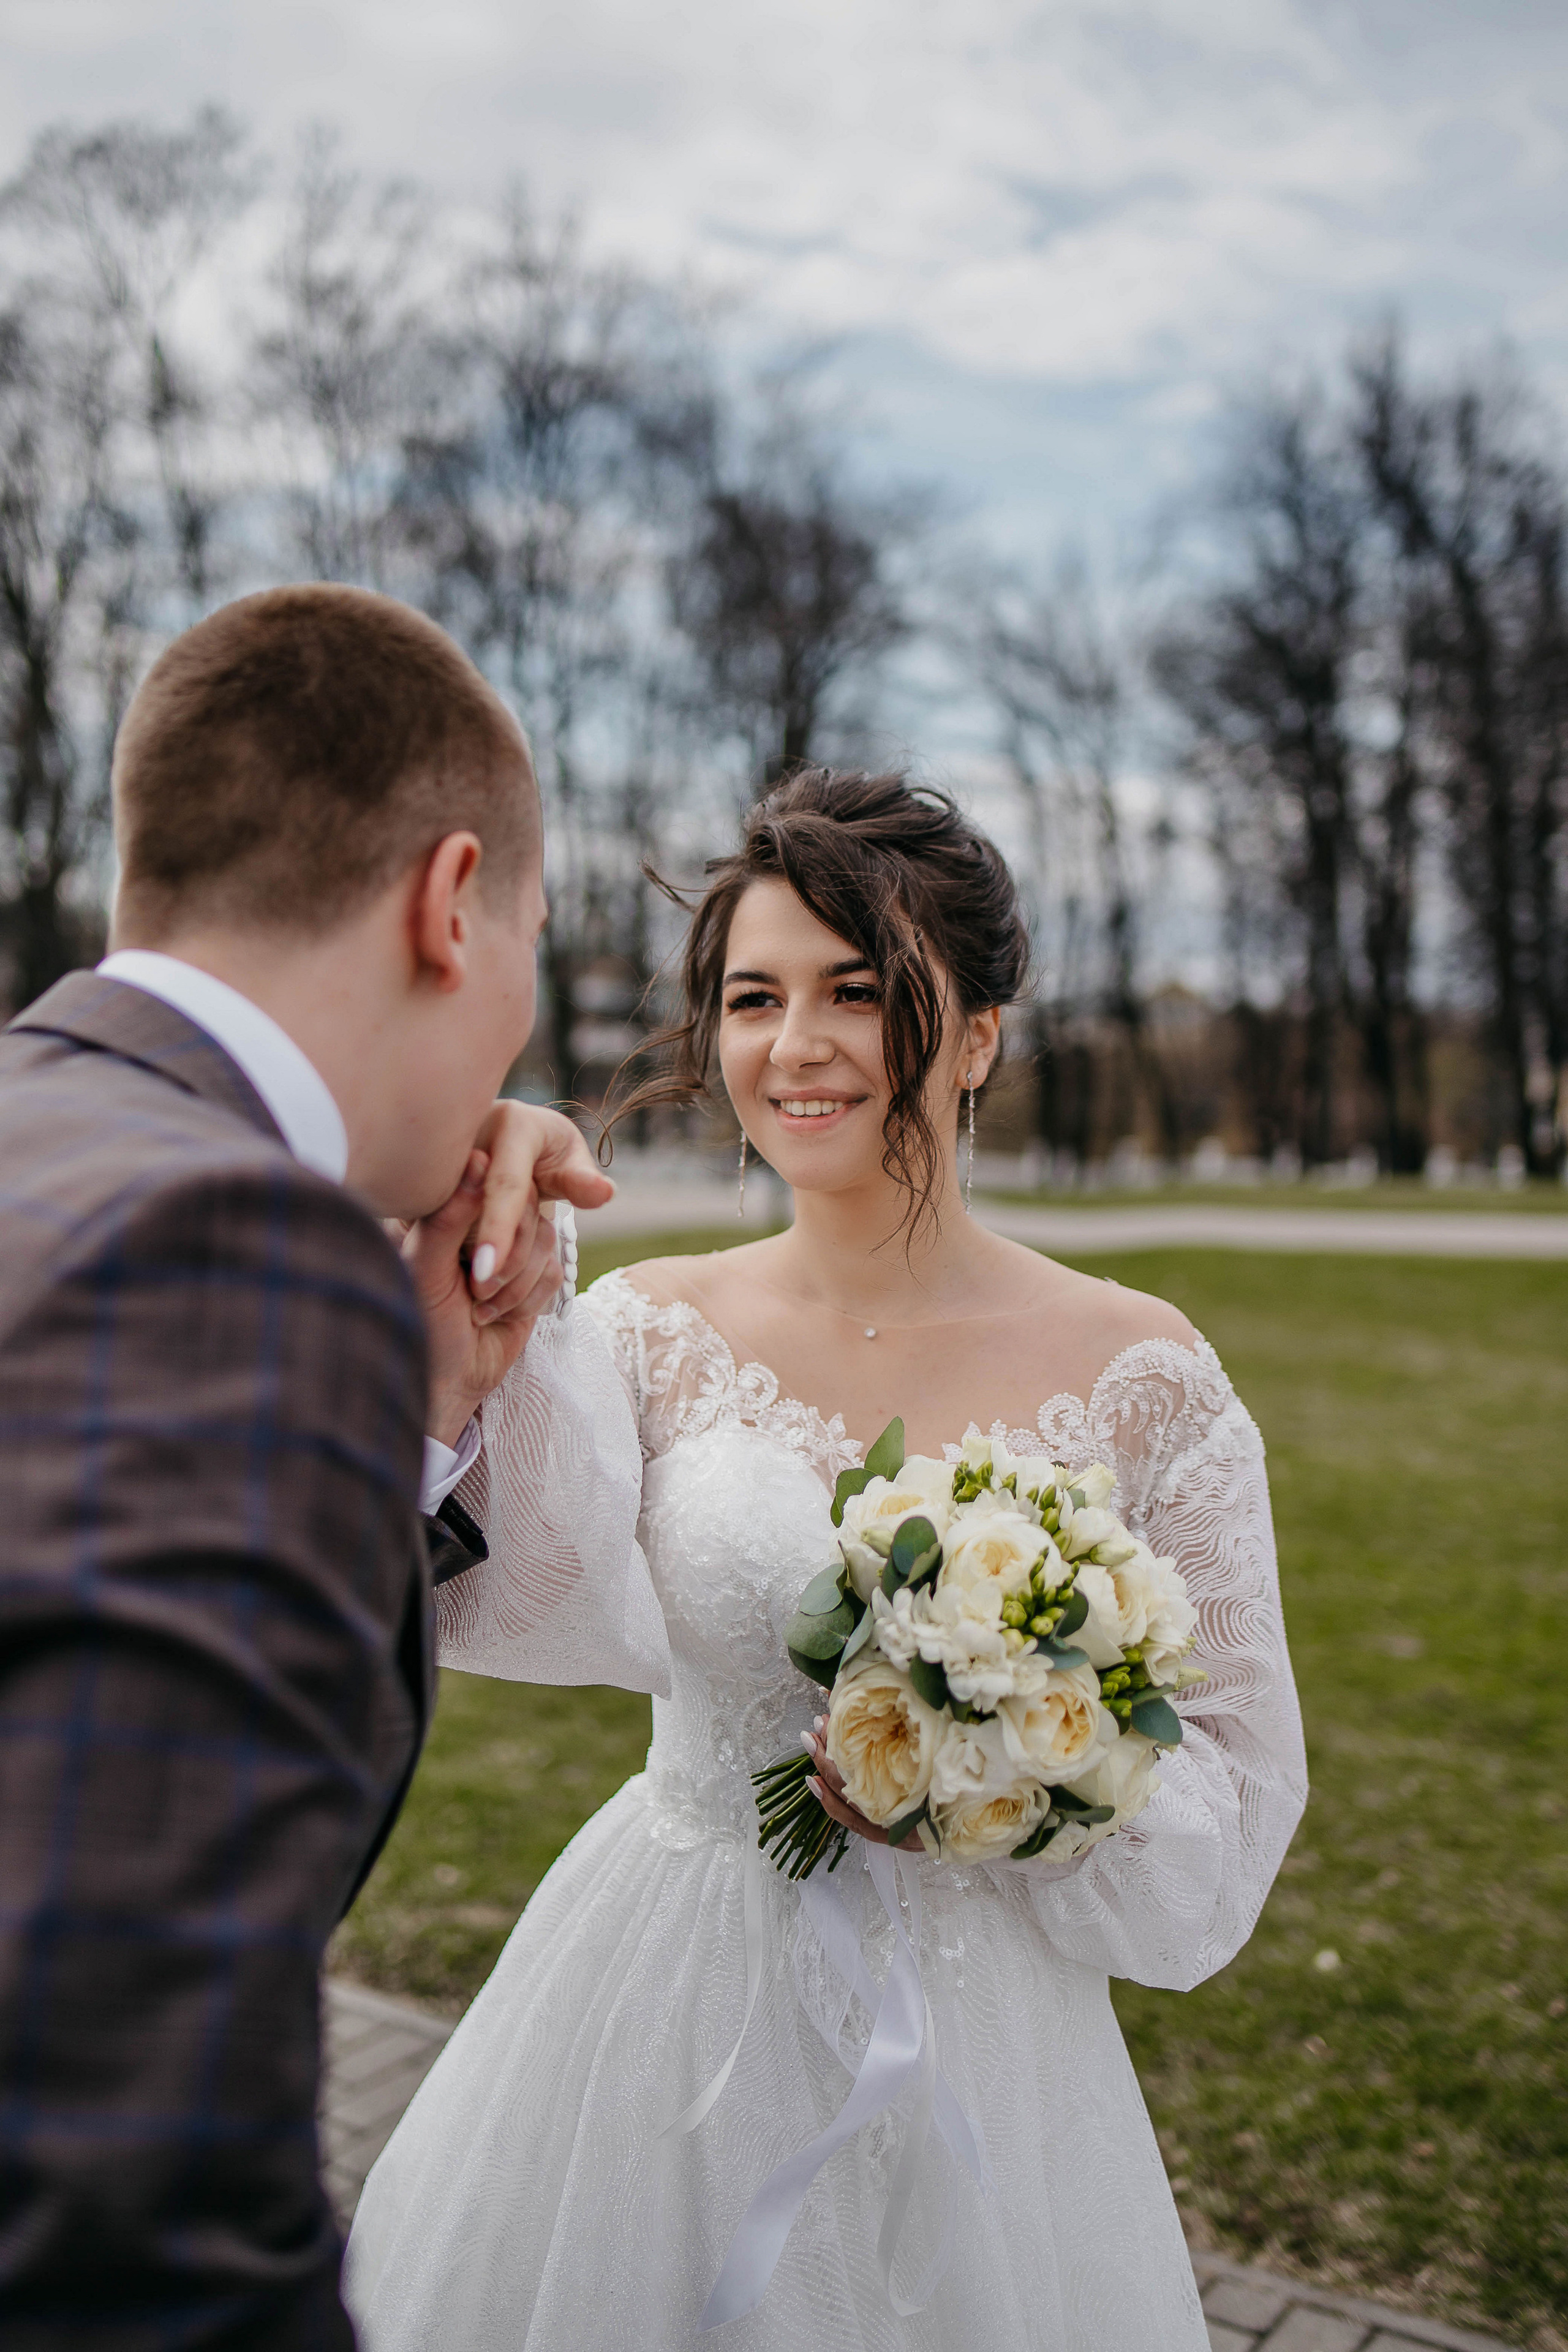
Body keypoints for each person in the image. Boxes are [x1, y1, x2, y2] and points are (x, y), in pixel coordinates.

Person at [345, 768, 1309, 2352]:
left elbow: (1237, 1790)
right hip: (667, 2003)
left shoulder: (1149, 1378)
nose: (793, 1044)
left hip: (990, 2037)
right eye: (752, 997)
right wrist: (466, 1305)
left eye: (857, 993)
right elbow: (488, 1589)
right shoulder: (646, 1331)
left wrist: (1011, 1764)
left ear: (980, 1034)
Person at [0, 584, 616, 2350]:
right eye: (530, 941)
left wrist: (411, 1403)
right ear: (449, 902)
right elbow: (130, 2199)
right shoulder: (228, 1249)